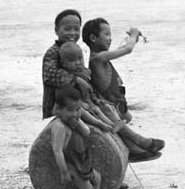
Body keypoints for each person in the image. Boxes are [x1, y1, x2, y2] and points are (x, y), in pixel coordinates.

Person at [43, 10, 165, 163]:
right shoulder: (53, 52)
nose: (72, 32)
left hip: (80, 99)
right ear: (56, 30)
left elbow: (85, 78)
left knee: (108, 110)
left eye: (76, 28)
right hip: (64, 103)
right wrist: (77, 79)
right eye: (67, 29)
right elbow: (50, 75)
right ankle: (138, 142)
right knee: (106, 115)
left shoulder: (74, 49)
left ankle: (125, 154)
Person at [82, 16, 165, 158]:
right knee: (121, 122)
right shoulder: (98, 58)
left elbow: (123, 48)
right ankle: (139, 145)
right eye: (106, 34)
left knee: (127, 118)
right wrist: (133, 35)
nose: (110, 38)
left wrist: (132, 40)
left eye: (110, 35)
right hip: (111, 105)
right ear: (93, 38)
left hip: (117, 102)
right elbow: (127, 49)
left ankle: (131, 147)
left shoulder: (102, 57)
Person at [49, 87, 121, 189]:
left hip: (80, 160)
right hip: (69, 163)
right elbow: (57, 151)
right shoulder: (59, 127)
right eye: (70, 110)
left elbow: (87, 132)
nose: (75, 114)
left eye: (77, 110)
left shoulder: (72, 120)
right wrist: (64, 172)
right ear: (58, 109)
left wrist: (77, 123)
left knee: (97, 178)